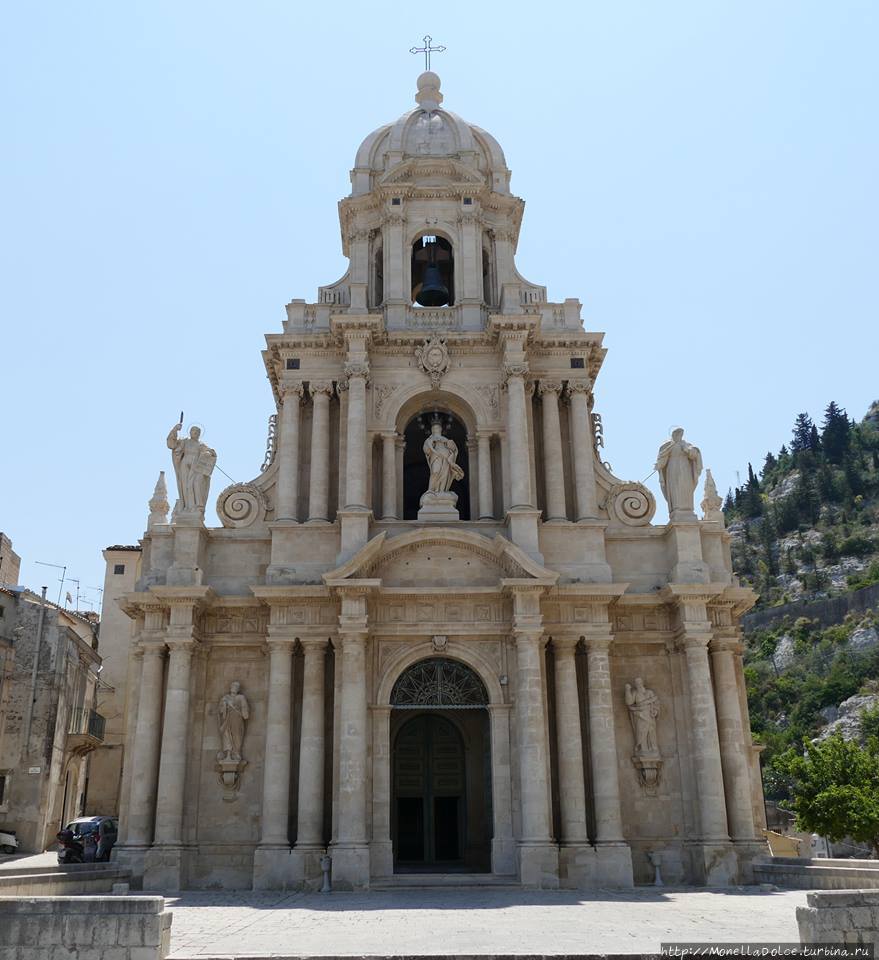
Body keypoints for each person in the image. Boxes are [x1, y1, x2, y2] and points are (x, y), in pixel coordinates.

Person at [167, 421, 217, 514]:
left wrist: (208, 453)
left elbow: (209, 451)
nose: (195, 433)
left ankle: (194, 506)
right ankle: (187, 506)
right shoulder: (185, 441)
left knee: (193, 484)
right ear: (190, 432)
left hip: (195, 465)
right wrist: (175, 430)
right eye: (193, 431)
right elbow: (172, 444)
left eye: (197, 432)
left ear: (199, 434)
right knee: (185, 485)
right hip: (184, 464)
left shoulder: (200, 444)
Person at [422, 420, 464, 494]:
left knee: (445, 474)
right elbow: (426, 450)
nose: (436, 430)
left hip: (446, 457)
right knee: (435, 471)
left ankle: (442, 491)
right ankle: (431, 490)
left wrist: (451, 447)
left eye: (437, 428)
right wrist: (432, 445)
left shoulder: (445, 439)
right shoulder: (429, 439)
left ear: (441, 429)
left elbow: (453, 448)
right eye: (434, 428)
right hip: (436, 457)